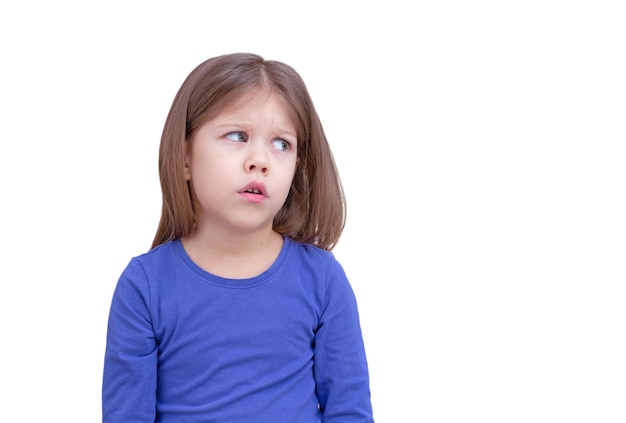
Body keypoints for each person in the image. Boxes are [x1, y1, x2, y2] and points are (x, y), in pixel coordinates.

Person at [102, 52, 374, 422]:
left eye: (282, 144)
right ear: (184, 158)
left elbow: (350, 411)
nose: (260, 160)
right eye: (237, 135)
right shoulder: (144, 286)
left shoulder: (323, 280)